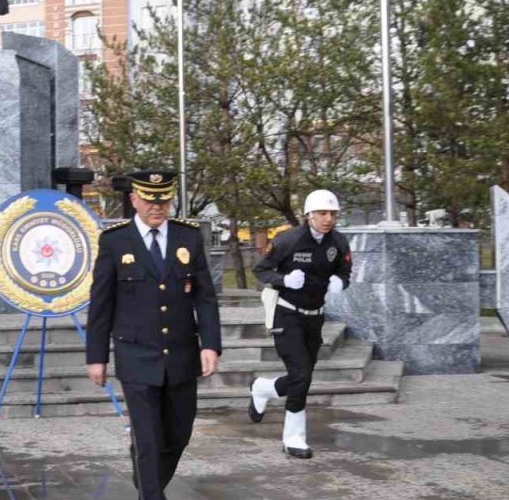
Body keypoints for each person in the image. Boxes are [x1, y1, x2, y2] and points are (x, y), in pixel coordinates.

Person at [85, 170, 222, 500]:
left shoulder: (187, 238)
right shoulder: (115, 241)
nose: (157, 206)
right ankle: (151, 492)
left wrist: (211, 344)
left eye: (163, 199)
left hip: (181, 354)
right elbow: (101, 304)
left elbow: (204, 296)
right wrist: (96, 357)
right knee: (148, 437)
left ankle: (147, 473)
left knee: (179, 433)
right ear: (134, 199)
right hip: (136, 355)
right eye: (149, 199)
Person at [248, 189, 352, 459]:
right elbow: (260, 269)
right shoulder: (288, 240)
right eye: (322, 213)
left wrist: (341, 281)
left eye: (332, 214)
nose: (328, 219)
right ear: (309, 215)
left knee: (300, 376)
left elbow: (344, 270)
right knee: (302, 375)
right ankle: (293, 438)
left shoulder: (338, 242)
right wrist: (283, 280)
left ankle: (262, 389)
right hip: (287, 314)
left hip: (315, 317)